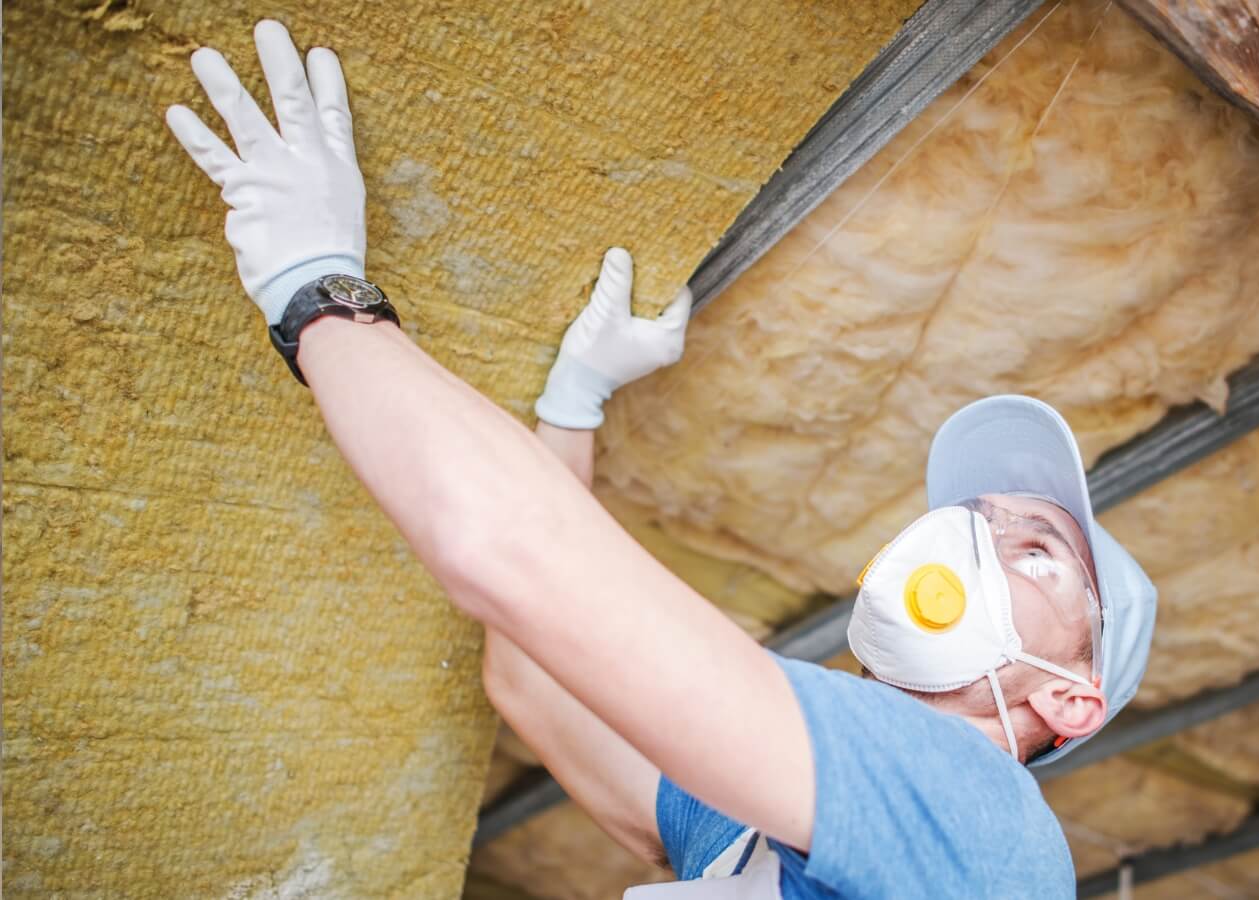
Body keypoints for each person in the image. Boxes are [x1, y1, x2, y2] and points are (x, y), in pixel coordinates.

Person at [164, 22, 1157, 899]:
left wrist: (318, 294)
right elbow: (532, 684)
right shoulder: (763, 825)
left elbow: (509, 553)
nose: (976, 535)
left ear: (1066, 700)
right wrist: (571, 405)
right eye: (977, 516)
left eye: (1036, 552)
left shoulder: (985, 829)